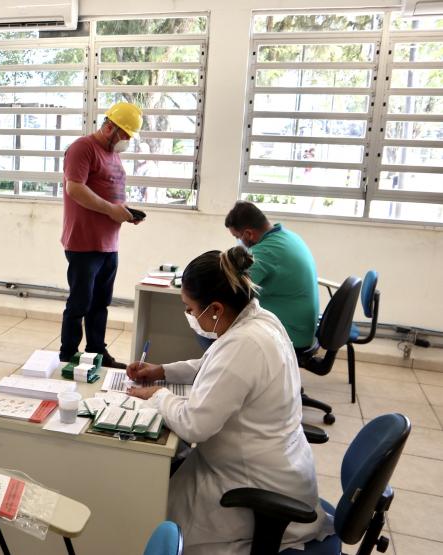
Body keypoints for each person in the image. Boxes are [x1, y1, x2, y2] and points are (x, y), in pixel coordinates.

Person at [125, 247, 332, 554]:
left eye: (190, 309)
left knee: (157, 522)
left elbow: (194, 426)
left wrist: (159, 395)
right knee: (162, 490)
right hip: (269, 466)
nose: (189, 316)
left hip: (254, 487)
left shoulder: (245, 343)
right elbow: (211, 365)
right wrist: (162, 371)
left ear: (215, 309)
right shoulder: (258, 320)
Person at [59, 102, 144, 369]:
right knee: (80, 303)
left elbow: (108, 193)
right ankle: (68, 355)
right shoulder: (82, 148)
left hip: (108, 244)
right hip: (84, 243)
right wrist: (111, 210)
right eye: (125, 135)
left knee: (100, 304)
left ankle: (97, 351)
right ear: (109, 128)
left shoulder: (112, 155)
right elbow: (75, 188)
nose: (126, 141)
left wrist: (125, 213)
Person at [225, 200, 319, 353]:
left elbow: (233, 289)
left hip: (290, 336)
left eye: (237, 237)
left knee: (214, 328)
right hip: (303, 329)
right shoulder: (288, 237)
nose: (238, 242)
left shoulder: (265, 251)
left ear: (248, 234)